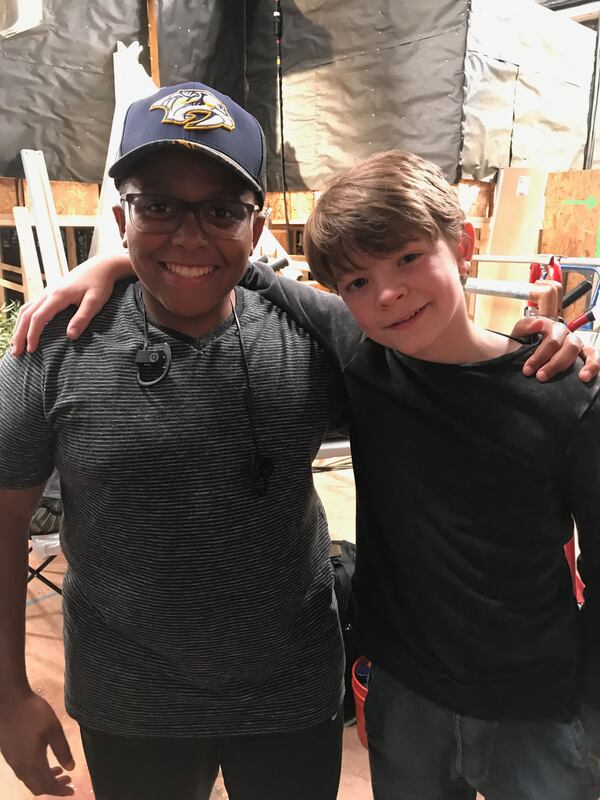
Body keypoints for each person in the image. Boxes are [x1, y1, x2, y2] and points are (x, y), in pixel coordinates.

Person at [9, 152, 600, 800]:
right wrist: (115, 261)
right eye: (359, 281)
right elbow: (220, 265)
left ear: (463, 246)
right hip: (400, 690)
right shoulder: (361, 353)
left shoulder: (558, 392)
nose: (389, 293)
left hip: (527, 702)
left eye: (409, 258)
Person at [0, 82, 348, 800]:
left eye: (221, 211)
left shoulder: (311, 344)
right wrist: (7, 695)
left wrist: (558, 347)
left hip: (290, 691)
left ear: (256, 228)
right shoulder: (52, 348)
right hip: (130, 699)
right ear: (121, 216)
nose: (190, 237)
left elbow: (442, 379)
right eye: (158, 206)